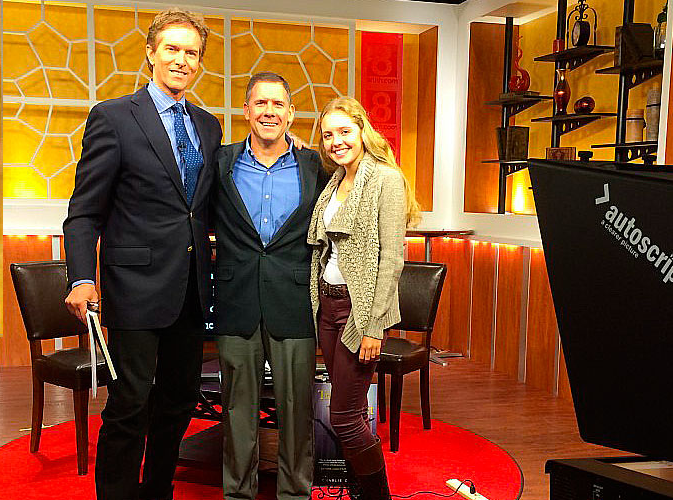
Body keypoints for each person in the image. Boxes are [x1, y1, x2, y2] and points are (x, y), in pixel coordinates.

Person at [62, 8, 222, 500]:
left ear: (199, 63)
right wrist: (81, 278)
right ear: (150, 53)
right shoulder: (112, 117)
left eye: (191, 52)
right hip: (133, 288)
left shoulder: (209, 126)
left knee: (179, 402)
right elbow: (84, 212)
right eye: (172, 49)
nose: (181, 60)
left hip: (191, 290)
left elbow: (203, 208)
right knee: (128, 405)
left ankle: (157, 492)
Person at [212, 71, 327, 500]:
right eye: (260, 103)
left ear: (291, 114)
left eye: (278, 104)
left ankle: (295, 493)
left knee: (297, 410)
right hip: (235, 299)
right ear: (246, 110)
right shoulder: (219, 162)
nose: (269, 112)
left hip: (293, 300)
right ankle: (237, 494)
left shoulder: (316, 166)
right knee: (237, 409)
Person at [307, 96, 419, 500]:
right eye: (328, 135)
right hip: (327, 304)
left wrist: (374, 326)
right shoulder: (336, 180)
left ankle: (376, 496)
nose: (336, 141)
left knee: (344, 418)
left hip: (358, 311)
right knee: (348, 411)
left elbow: (391, 259)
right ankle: (357, 490)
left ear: (362, 130)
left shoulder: (385, 179)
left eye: (344, 131)